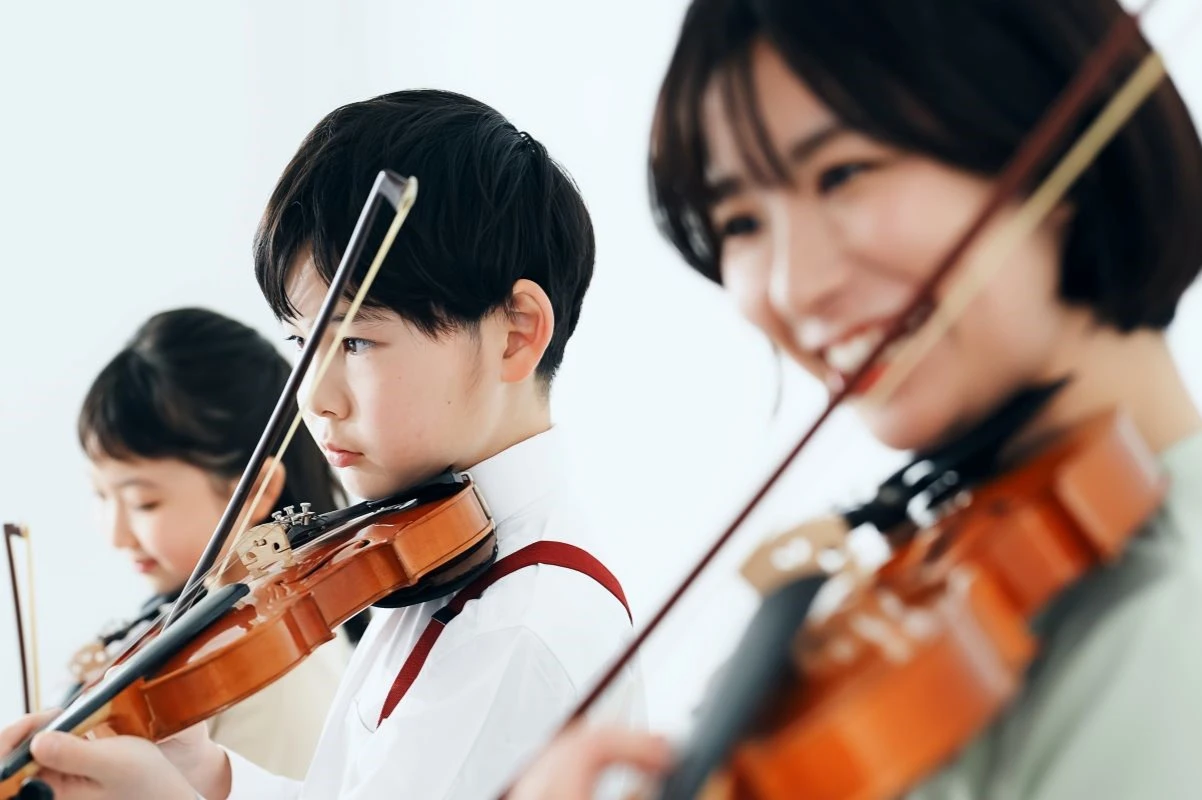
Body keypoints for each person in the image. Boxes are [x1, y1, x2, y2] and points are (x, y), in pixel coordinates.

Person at [509, 0, 1202, 798]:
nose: (790, 286)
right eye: (739, 220)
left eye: (843, 172)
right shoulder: (956, 585)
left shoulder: (1159, 623)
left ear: (1059, 145)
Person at [0, 89, 642, 800]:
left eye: (356, 340)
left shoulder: (519, 623)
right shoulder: (431, 554)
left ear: (516, 332)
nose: (314, 397)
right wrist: (208, 777)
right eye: (303, 345)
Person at [71, 307, 349, 780]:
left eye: (144, 503)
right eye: (101, 495)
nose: (116, 535)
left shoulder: (282, 668)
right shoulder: (178, 623)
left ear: (255, 492)